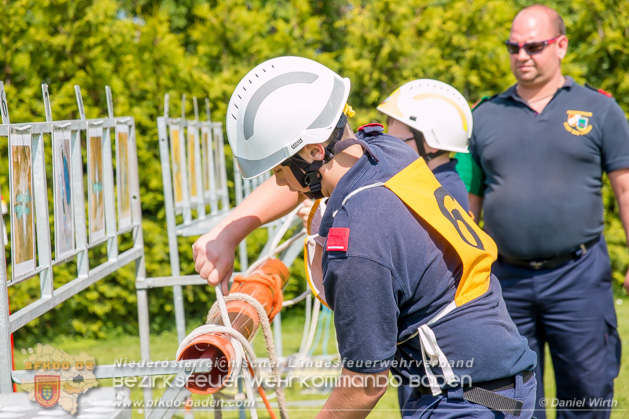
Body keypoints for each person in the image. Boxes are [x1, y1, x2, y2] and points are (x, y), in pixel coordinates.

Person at [194, 55, 537, 418]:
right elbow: (302, 182)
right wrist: (228, 232)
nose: (279, 181)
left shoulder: (357, 240)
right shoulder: (387, 151)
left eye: (279, 169)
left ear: (314, 151)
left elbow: (364, 385)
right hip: (501, 384)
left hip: (464, 401)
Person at [459, 5, 627, 419]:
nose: (522, 56)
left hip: (579, 278)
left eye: (534, 46)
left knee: (587, 396)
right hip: (505, 283)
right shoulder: (483, 116)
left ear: (561, 45)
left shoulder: (600, 109)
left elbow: (625, 188)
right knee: (506, 399)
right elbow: (467, 206)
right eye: (513, 47)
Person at [376, 79, 473, 411]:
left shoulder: (439, 192)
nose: (386, 146)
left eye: (396, 138)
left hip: (438, 354)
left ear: (429, 142)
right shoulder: (436, 184)